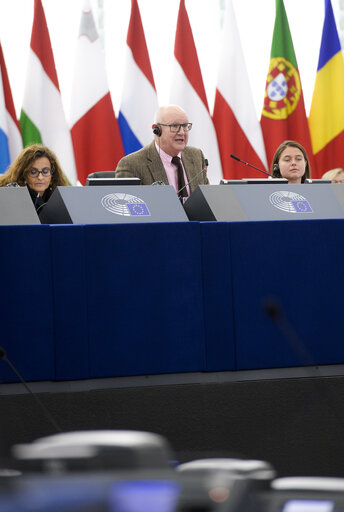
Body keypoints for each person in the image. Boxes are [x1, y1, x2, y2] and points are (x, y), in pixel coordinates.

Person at [115, 105, 209, 197]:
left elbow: (207, 200)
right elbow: (125, 207)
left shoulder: (196, 156)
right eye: (174, 126)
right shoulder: (131, 164)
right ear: (157, 130)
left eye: (185, 126)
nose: (182, 132)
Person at [0, 144, 68, 210]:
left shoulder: (61, 200)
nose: (40, 177)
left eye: (45, 171)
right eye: (33, 172)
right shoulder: (10, 198)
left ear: (52, 173)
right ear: (23, 174)